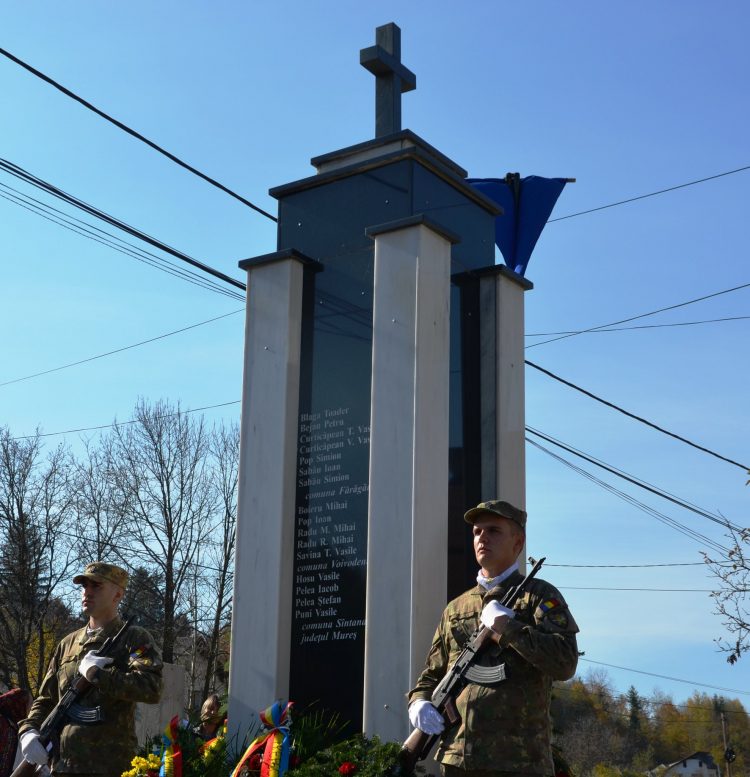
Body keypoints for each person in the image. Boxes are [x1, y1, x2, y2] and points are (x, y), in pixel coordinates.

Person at [408, 500, 579, 777]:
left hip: (519, 762)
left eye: (494, 530)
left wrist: (507, 627)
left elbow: (565, 662)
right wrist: (419, 702)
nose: (482, 537)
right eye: (477, 532)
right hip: (457, 762)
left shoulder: (539, 596)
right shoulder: (456, 608)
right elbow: (432, 674)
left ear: (518, 542)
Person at [18, 562, 163, 777]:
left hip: (110, 768)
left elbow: (151, 687)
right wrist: (28, 730)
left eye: (97, 586)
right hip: (62, 767)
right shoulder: (67, 644)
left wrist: (98, 676)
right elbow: (47, 698)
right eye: (84, 586)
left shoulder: (135, 640)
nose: (87, 592)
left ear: (117, 595)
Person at [0, 687, 32, 777]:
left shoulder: (11, 724)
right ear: (20, 704)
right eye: (29, 705)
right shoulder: (5, 725)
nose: (30, 710)